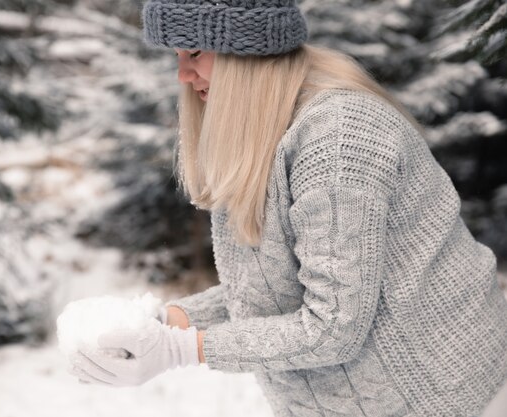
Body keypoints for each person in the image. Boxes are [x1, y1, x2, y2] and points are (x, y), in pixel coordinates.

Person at [69, 1, 507, 416]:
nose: (184, 74)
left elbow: (332, 326)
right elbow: (277, 284)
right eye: (179, 55)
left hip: (442, 397)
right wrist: (167, 321)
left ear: (246, 50)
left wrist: (180, 348)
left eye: (196, 51)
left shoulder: (337, 140)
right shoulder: (272, 128)